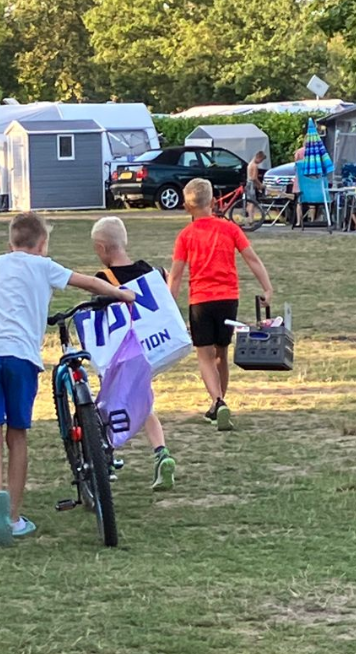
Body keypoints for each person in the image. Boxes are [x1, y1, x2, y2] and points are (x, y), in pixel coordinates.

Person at [0, 212, 135, 547]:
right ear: (43, 244)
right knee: (17, 436)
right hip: (20, 358)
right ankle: (13, 517)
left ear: (10, 243)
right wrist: (123, 295)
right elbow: (89, 283)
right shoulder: (44, 266)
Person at [168, 179, 273, 431]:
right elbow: (252, 259)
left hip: (201, 301)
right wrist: (267, 288)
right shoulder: (229, 229)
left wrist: (169, 307)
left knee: (204, 355)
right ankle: (220, 402)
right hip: (228, 299)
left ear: (186, 207)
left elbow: (176, 275)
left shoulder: (185, 236)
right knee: (221, 353)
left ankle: (217, 401)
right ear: (214, 202)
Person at [91, 216, 176, 491]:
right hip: (148, 349)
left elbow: (101, 321)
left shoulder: (103, 280)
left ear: (101, 248)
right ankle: (161, 451)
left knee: (106, 404)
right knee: (145, 402)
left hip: (121, 353)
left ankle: (106, 456)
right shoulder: (147, 270)